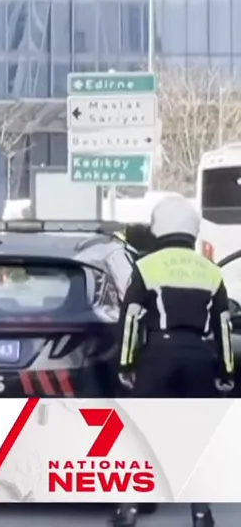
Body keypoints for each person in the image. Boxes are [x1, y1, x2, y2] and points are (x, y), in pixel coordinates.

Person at [112, 195, 232, 527]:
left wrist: (126, 367)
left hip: (157, 358)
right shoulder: (210, 270)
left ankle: (130, 509)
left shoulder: (147, 267)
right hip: (198, 357)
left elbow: (132, 320)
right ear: (192, 230)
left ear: (158, 228)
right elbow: (223, 327)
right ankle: (201, 512)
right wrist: (226, 372)